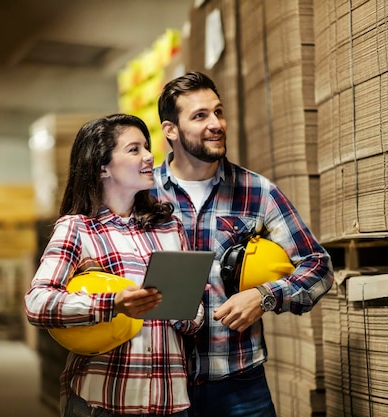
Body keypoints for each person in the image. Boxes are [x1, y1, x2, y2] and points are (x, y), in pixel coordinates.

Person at [151, 71, 335, 417]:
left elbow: (318, 266)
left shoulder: (257, 191)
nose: (216, 124)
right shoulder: (144, 195)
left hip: (238, 383)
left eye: (218, 112)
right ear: (170, 130)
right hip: (162, 382)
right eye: (200, 115)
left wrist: (264, 295)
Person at [25, 113, 204, 417]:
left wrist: (180, 309)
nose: (149, 156)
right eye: (134, 149)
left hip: (171, 404)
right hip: (105, 404)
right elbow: (38, 303)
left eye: (147, 147)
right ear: (103, 167)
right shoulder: (78, 229)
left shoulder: (169, 228)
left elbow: (195, 314)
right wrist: (113, 304)